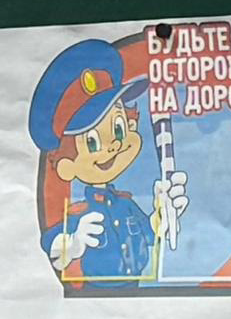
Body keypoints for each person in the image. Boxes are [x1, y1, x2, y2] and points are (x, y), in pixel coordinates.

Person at [31, 39, 180, 287]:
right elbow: (55, 250)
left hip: (137, 292)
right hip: (94, 298)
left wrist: (163, 215)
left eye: (119, 129)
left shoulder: (126, 203)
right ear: (67, 165)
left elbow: (150, 232)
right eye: (92, 142)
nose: (114, 145)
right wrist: (74, 243)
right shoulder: (78, 214)